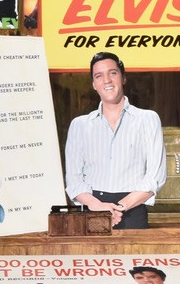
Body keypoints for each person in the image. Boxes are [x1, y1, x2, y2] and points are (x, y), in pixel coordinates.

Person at [64, 52, 166, 230]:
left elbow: (155, 176)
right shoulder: (79, 125)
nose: (107, 80)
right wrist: (97, 206)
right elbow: (74, 180)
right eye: (99, 76)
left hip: (133, 209)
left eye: (113, 73)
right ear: (94, 84)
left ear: (123, 78)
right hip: (92, 209)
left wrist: (119, 207)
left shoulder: (148, 119)